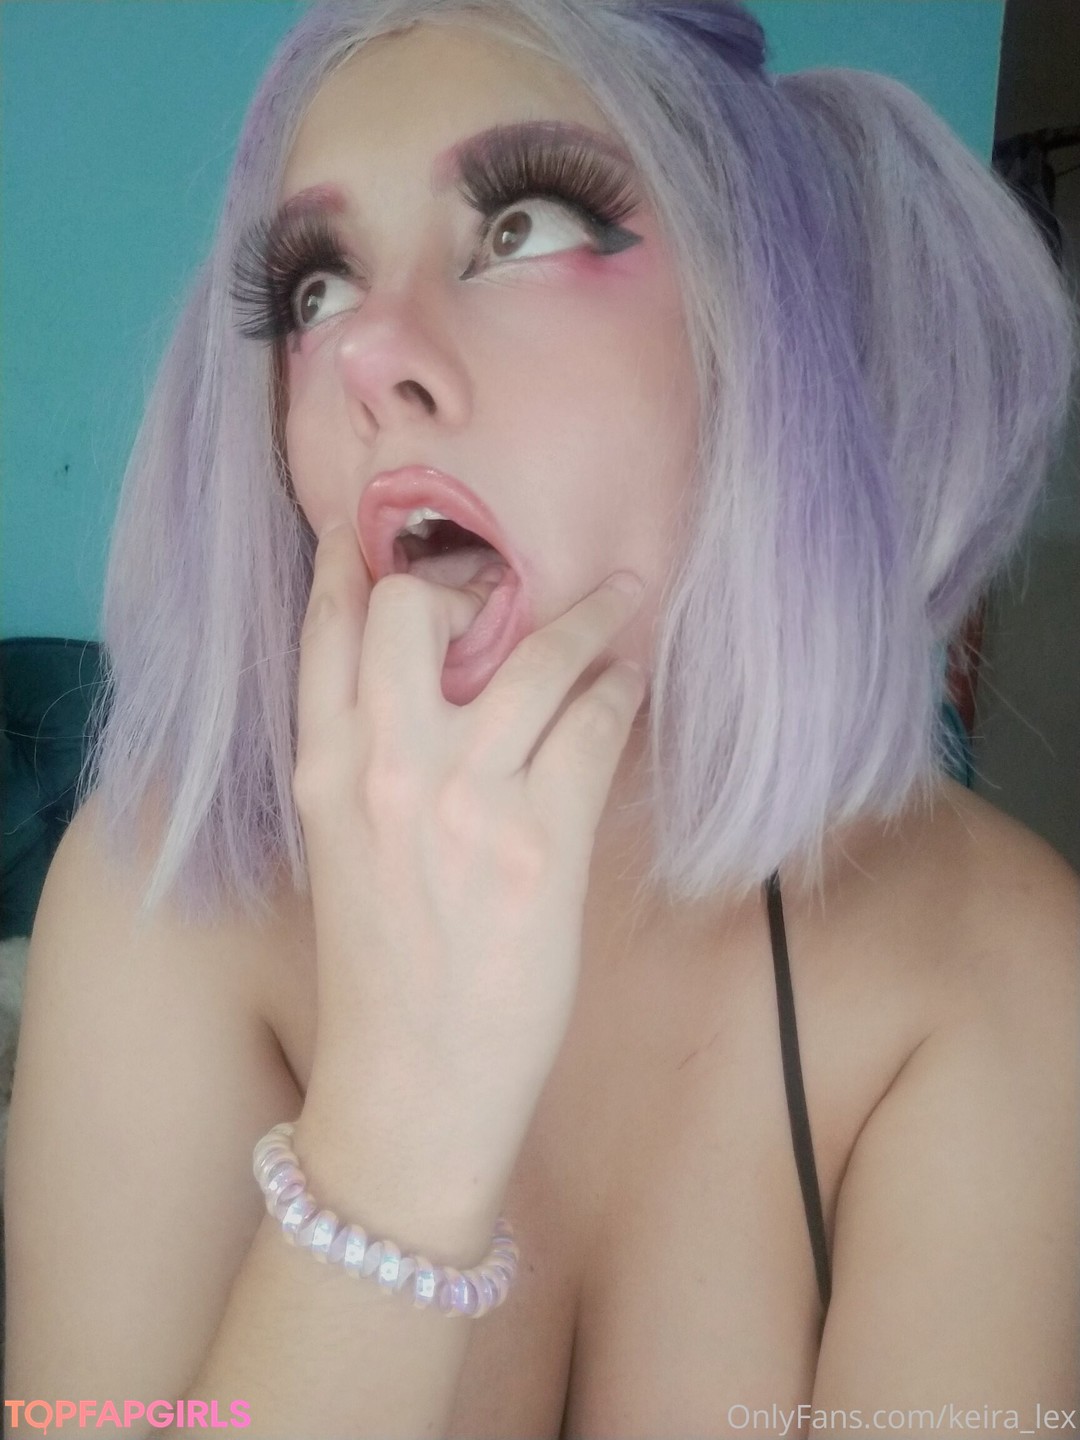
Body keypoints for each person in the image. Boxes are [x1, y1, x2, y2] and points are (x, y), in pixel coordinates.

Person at [5, 2, 1078, 1437]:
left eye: (523, 227)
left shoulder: (997, 963)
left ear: (763, 340)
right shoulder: (154, 902)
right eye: (315, 289)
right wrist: (402, 1115)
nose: (370, 351)